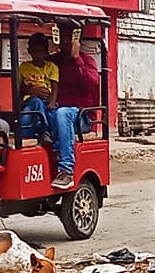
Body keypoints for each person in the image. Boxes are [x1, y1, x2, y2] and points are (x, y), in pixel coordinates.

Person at [47, 25, 100, 190]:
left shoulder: (86, 60)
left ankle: (66, 170)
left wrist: (76, 59)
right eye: (62, 38)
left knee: (62, 113)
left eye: (68, 39)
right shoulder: (53, 61)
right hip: (54, 112)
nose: (64, 42)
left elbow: (92, 84)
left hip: (80, 117)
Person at [18, 32, 60, 137]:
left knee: (53, 115)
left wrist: (52, 102)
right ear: (29, 51)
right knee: (35, 103)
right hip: (29, 100)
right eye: (35, 51)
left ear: (46, 52)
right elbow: (17, 86)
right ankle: (43, 128)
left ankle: (51, 137)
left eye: (41, 51)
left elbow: (55, 87)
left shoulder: (52, 67)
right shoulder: (24, 66)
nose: (38, 55)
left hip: (47, 100)